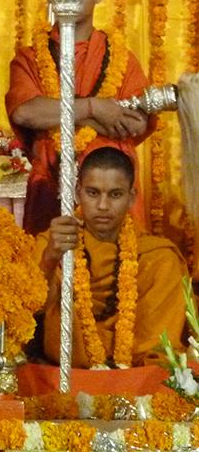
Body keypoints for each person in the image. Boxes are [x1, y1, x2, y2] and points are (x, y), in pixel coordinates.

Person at [6, 0, 155, 235]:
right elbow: (27, 112)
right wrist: (94, 109)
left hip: (112, 186)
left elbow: (136, 122)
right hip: (52, 181)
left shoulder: (121, 57)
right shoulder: (30, 58)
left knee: (120, 270)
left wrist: (59, 113)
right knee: (52, 267)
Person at [36, 146, 187, 368]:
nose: (103, 206)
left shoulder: (157, 257)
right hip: (65, 378)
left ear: (131, 197)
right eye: (93, 193)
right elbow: (31, 308)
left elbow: (159, 347)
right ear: (78, 193)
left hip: (138, 380)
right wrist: (50, 259)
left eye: (115, 194)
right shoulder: (54, 243)